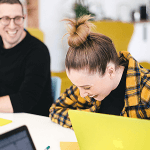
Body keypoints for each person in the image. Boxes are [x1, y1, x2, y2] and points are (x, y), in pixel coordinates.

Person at [49, 15, 150, 129]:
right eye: (78, 86)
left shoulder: (146, 89)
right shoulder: (85, 83)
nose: (82, 94)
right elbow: (55, 109)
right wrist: (90, 124)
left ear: (110, 71)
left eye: (87, 88)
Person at [0, 0, 53, 116]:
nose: (12, 25)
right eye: (5, 19)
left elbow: (25, 100)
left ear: (24, 18)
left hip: (33, 122)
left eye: (17, 18)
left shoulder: (38, 51)